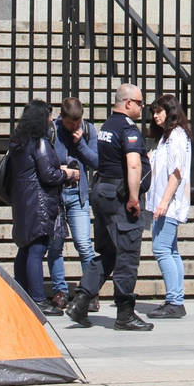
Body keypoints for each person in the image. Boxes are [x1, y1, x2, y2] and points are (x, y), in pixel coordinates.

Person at [66, 83, 155, 332]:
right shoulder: (128, 129)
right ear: (128, 103)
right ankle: (125, 314)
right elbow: (134, 164)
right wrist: (134, 198)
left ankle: (81, 302)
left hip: (103, 191)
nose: (142, 107)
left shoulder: (107, 126)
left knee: (108, 253)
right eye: (139, 103)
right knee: (127, 254)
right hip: (119, 196)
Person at [7, 99, 79, 314]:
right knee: (37, 249)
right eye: (48, 116)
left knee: (25, 248)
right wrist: (68, 174)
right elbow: (48, 175)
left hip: (23, 201)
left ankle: (22, 294)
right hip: (39, 203)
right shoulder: (40, 142)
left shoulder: (18, 142)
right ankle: (38, 299)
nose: (51, 120)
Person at [45, 97, 100, 313]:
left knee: (84, 245)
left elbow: (96, 161)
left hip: (78, 194)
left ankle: (89, 293)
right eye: (70, 123)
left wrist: (80, 144)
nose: (74, 126)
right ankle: (60, 291)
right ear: (62, 117)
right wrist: (62, 169)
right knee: (55, 246)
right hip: (56, 194)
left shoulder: (87, 130)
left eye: (77, 122)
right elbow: (46, 160)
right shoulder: (52, 130)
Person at [145, 94, 192, 319]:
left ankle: (174, 300)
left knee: (161, 249)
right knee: (171, 250)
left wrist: (164, 202)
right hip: (166, 202)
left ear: (170, 111)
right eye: (154, 112)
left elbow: (176, 172)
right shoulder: (167, 138)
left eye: (159, 111)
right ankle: (176, 298)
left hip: (170, 203)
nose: (155, 116)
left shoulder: (176, 136)